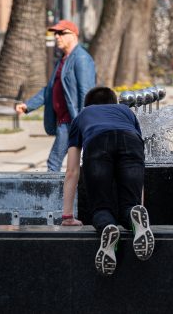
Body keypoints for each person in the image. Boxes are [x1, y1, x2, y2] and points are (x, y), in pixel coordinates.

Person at [60, 86, 154, 276]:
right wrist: (139, 204)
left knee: (101, 208)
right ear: (114, 103)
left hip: (97, 143)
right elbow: (140, 168)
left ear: (88, 105)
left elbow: (71, 171)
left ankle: (107, 227)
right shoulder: (126, 112)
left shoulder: (82, 116)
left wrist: (67, 216)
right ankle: (134, 216)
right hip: (131, 141)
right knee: (130, 205)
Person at [15, 20, 97, 172]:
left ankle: (53, 194)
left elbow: (86, 92)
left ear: (73, 35)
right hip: (65, 121)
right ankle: (71, 194)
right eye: (55, 34)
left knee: (54, 162)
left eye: (61, 33)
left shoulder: (81, 59)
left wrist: (84, 124)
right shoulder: (64, 60)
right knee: (72, 166)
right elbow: (50, 90)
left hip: (72, 122)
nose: (57, 37)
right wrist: (28, 106)